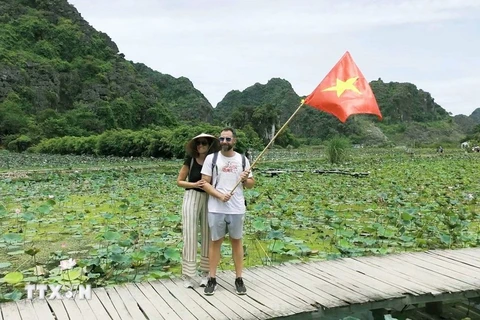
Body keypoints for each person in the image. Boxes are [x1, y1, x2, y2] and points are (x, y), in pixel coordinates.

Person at [200, 127, 255, 295]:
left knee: (236, 241)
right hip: (216, 208)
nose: (224, 142)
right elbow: (205, 182)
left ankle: (239, 279)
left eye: (228, 139)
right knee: (215, 242)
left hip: (237, 208)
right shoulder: (212, 158)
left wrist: (246, 180)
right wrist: (219, 195)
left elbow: (251, 184)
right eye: (222, 139)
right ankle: (212, 278)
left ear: (234, 141)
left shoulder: (243, 160)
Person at [176, 133, 220, 288]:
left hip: (209, 198)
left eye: (203, 143)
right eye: (198, 143)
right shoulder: (191, 160)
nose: (200, 146)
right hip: (192, 196)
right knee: (190, 234)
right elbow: (180, 182)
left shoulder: (213, 162)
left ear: (209, 145)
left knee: (208, 235)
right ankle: (188, 275)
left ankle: (205, 273)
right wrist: (194, 184)